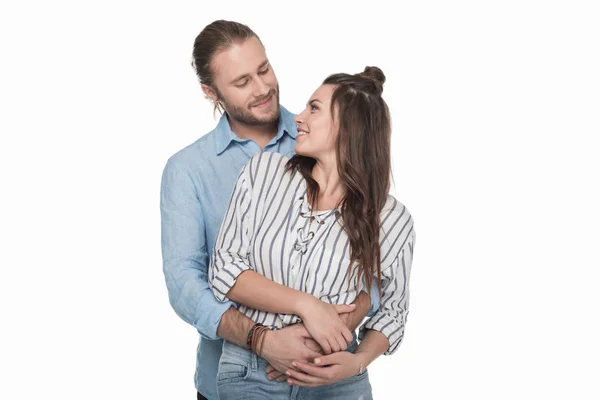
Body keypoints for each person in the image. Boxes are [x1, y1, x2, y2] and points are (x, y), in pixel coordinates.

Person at [160, 20, 379, 400]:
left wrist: (329, 334)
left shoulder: (325, 138)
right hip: (231, 381)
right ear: (210, 92)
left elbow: (373, 262)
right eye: (242, 82)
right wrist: (261, 340)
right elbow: (184, 283)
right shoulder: (188, 170)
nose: (263, 89)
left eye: (264, 69)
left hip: (330, 381)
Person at [208, 66, 416, 399]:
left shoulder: (392, 219)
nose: (297, 119)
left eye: (314, 108)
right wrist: (308, 307)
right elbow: (224, 270)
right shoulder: (264, 172)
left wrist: (358, 361)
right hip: (252, 374)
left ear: (349, 126)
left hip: (338, 382)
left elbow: (393, 310)